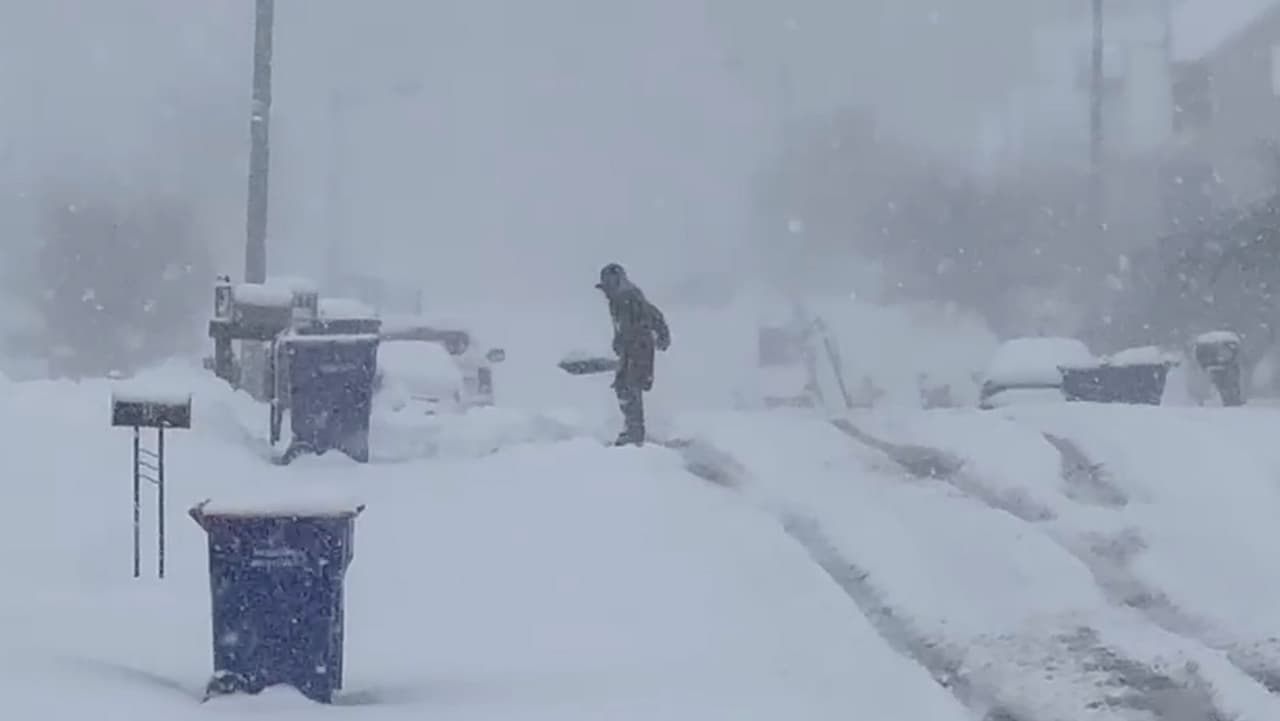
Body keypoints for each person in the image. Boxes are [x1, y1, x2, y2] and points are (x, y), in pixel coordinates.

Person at [596, 263, 670, 446]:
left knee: (629, 385)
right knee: (625, 386)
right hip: (632, 348)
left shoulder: (629, 297)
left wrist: (661, 335)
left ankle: (634, 432)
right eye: (605, 285)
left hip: (638, 349)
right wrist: (618, 340)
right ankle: (632, 429)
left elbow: (650, 317)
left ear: (618, 281)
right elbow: (625, 326)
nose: (606, 290)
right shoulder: (620, 299)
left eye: (609, 283)